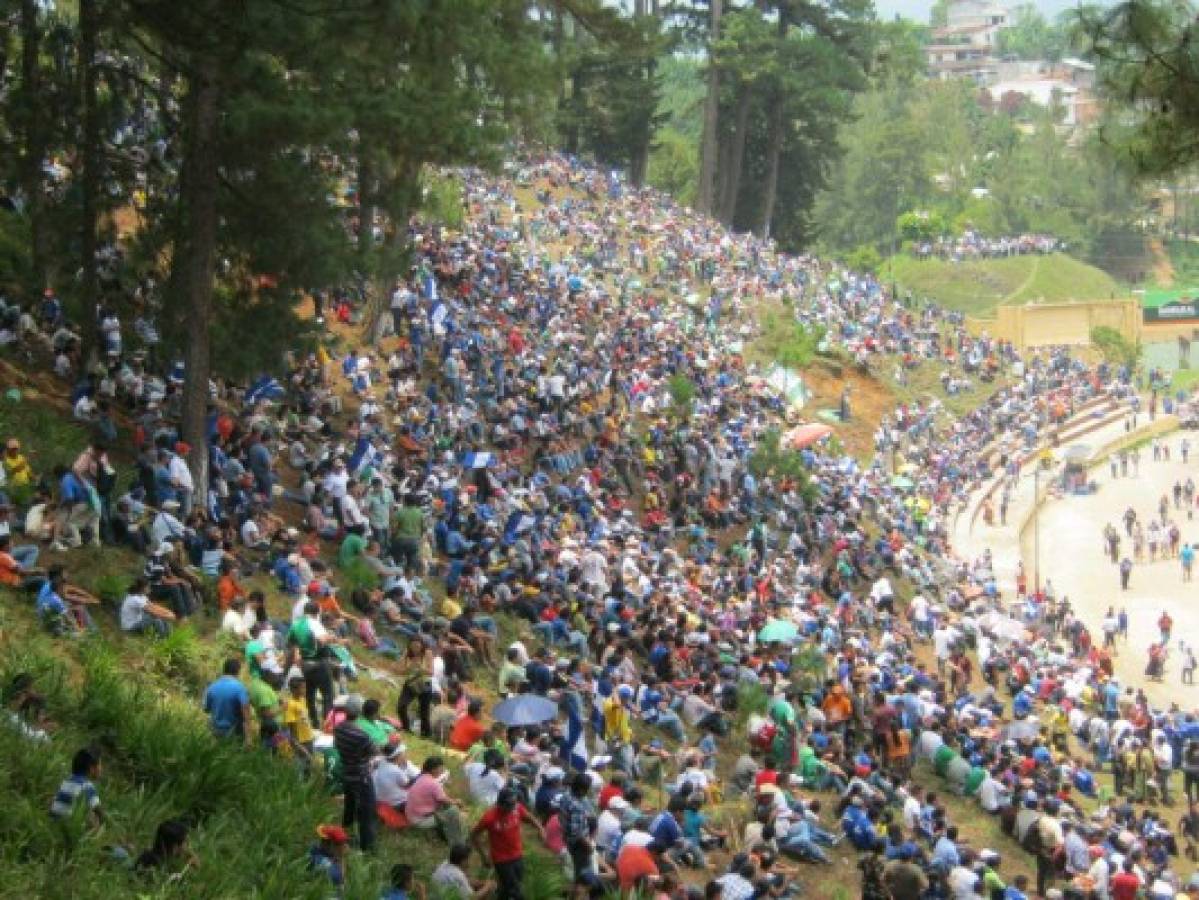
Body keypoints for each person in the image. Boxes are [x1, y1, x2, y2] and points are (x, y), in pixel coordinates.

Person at [471, 786, 547, 900]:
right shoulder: (489, 817)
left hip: (517, 854)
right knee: (515, 890)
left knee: (510, 886)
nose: (512, 808)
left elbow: (530, 818)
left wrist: (541, 829)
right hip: (501, 859)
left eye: (514, 805)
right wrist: (483, 856)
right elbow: (474, 835)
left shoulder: (517, 808)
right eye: (509, 806)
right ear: (500, 804)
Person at [334, 693, 377, 852]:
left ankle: (344, 837)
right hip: (361, 776)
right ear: (359, 712)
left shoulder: (338, 729)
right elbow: (374, 751)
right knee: (367, 812)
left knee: (349, 807)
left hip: (347, 773)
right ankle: (368, 847)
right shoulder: (362, 735)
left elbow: (338, 746)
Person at [407, 756, 467, 846]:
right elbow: (444, 799)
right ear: (434, 770)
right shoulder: (433, 783)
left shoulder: (421, 777)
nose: (442, 770)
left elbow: (441, 798)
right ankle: (457, 843)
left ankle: (446, 834)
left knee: (448, 807)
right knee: (453, 811)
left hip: (412, 815)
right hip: (420, 820)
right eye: (441, 768)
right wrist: (457, 802)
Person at [49, 746, 103, 827]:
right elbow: (98, 809)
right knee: (95, 817)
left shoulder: (66, 782)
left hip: (54, 823)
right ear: (92, 768)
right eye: (100, 765)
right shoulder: (87, 785)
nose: (101, 768)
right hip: (70, 826)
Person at [203, 658, 251, 745]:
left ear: (224, 669)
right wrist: (248, 738)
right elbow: (246, 714)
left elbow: (206, 709)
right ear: (238, 671)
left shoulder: (211, 687)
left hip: (215, 732)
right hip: (234, 733)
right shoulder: (240, 688)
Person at [308, 824, 351, 897]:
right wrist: (341, 857)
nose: (345, 846)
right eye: (341, 844)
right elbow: (339, 877)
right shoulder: (322, 861)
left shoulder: (317, 849)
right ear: (329, 844)